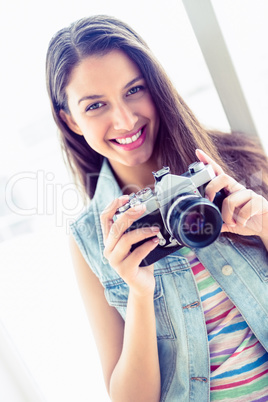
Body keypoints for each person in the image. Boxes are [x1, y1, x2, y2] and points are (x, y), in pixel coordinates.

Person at [46, 15, 268, 402]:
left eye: (135, 90)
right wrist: (139, 293)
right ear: (71, 120)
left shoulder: (239, 165)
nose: (125, 119)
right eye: (95, 105)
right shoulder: (91, 239)